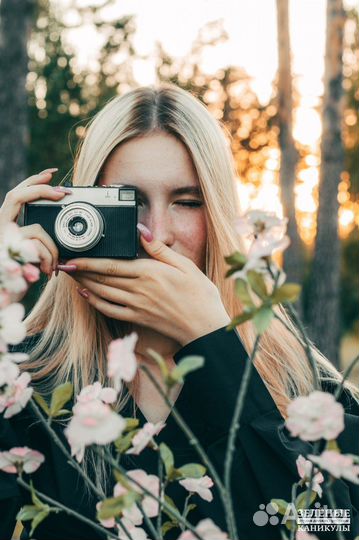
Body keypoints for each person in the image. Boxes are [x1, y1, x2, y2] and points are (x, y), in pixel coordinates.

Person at [0, 85, 358, 540]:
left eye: (187, 202)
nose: (161, 233)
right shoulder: (22, 386)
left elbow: (328, 528)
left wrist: (214, 344)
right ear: (81, 209)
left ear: (219, 214)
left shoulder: (309, 395)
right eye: (127, 203)